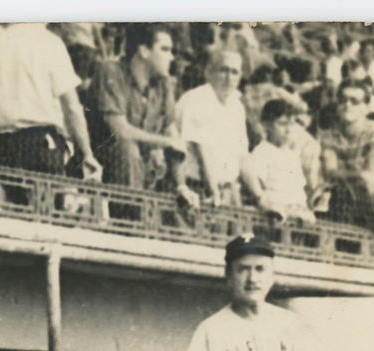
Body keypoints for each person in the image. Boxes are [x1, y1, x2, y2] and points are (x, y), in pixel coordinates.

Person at [178, 236, 328, 351]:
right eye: (243, 269)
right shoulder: (211, 329)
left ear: (272, 276)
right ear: (229, 276)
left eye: (260, 269)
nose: (252, 279)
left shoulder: (295, 325)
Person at [0, 21, 101, 180]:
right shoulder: (49, 43)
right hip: (39, 144)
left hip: (0, 144)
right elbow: (72, 107)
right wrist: (87, 153)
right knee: (43, 202)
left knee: (5, 203)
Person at [88, 24, 190, 196]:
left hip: (143, 171)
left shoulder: (164, 84)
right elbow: (121, 132)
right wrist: (165, 142)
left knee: (177, 187)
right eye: (164, 49)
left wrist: (182, 186)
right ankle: (134, 215)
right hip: (101, 166)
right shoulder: (110, 71)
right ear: (143, 51)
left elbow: (173, 137)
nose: (171, 57)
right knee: (128, 150)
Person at [175, 48, 253, 206]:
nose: (229, 78)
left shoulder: (236, 106)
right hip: (198, 189)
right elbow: (201, 150)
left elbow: (242, 156)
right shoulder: (196, 99)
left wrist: (260, 196)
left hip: (228, 192)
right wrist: (213, 190)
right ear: (208, 72)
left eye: (234, 72)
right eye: (223, 70)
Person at [319, 80, 374, 233]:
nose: (347, 105)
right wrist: (358, 175)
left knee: (362, 188)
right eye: (343, 100)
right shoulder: (329, 136)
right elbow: (329, 173)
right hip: (345, 200)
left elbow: (370, 175)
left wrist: (343, 175)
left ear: (366, 107)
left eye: (354, 101)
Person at [246, 99, 316, 221]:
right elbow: (259, 187)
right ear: (266, 125)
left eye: (292, 123)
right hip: (276, 210)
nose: (288, 129)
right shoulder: (262, 152)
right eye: (282, 124)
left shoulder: (293, 155)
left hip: (297, 209)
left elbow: (298, 188)